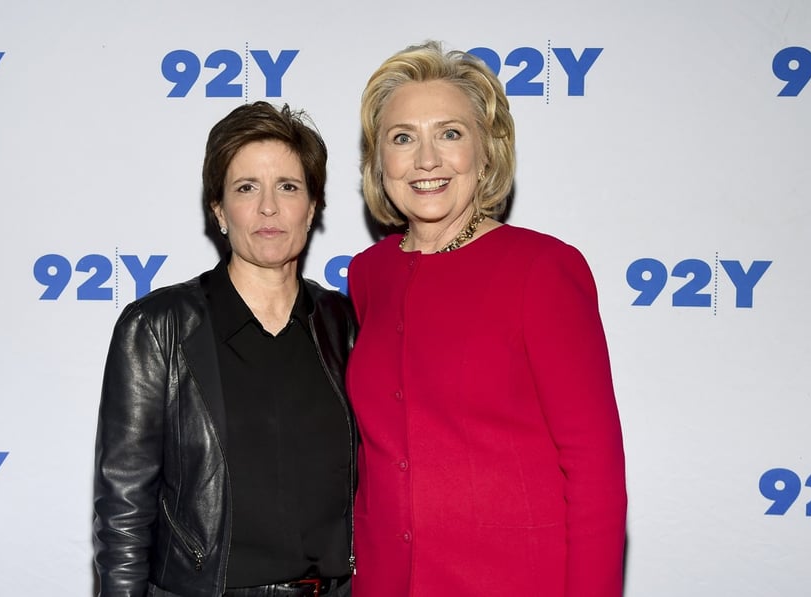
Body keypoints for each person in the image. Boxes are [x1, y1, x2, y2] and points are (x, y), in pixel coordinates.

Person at [346, 41, 627, 597]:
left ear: (487, 149)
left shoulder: (543, 270)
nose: (427, 159)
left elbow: (595, 471)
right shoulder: (368, 274)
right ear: (381, 162)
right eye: (403, 138)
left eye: (450, 133)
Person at [93, 101, 356, 597]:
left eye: (289, 187)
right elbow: (123, 511)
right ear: (218, 210)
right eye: (245, 188)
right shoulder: (157, 328)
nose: (269, 208)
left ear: (313, 206)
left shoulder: (343, 325)